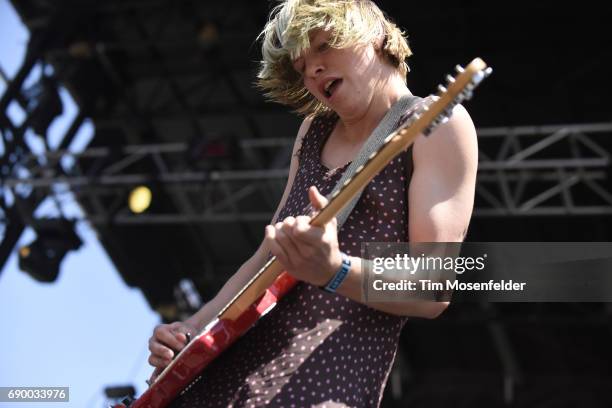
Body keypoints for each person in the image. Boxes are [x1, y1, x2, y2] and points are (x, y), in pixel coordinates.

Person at [148, 0, 478, 406]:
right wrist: (190, 330)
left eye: (323, 47)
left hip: (318, 384)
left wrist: (333, 270)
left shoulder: (439, 123)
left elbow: (432, 286)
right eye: (301, 67)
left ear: (373, 33)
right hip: (226, 377)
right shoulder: (313, 131)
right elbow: (266, 259)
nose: (313, 70)